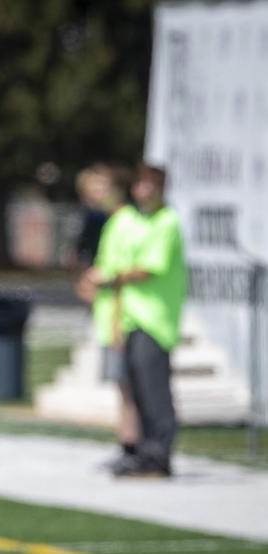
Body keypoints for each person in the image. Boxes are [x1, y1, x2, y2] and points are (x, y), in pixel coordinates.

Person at [84, 163, 186, 478]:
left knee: (155, 391)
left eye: (150, 185)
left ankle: (159, 456)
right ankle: (144, 452)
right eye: (140, 185)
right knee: (138, 390)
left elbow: (146, 268)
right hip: (132, 318)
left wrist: (109, 278)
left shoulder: (166, 222)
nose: (144, 191)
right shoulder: (135, 221)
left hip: (156, 320)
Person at [75, 167, 140, 464]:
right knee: (122, 387)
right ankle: (129, 446)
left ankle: (136, 447)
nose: (98, 195)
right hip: (111, 315)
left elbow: (124, 272)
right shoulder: (109, 221)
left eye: (103, 187)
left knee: (130, 387)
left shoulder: (125, 221)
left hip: (124, 317)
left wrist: (101, 283)